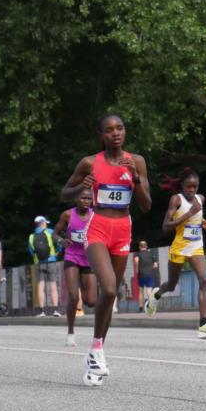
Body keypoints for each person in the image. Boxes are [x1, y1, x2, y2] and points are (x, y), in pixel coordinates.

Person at [61, 114, 151, 385]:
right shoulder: (90, 162)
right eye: (109, 130)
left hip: (123, 228)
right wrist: (81, 186)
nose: (115, 134)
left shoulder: (137, 162)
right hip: (98, 226)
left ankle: (95, 351)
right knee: (110, 287)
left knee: (111, 297)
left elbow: (146, 206)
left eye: (120, 128)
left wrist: (136, 180)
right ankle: (96, 351)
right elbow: (64, 193)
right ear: (102, 135)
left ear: (125, 131)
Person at [144, 168, 206, 339]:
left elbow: (196, 222)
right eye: (188, 187)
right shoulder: (176, 200)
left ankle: (203, 324)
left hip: (196, 247)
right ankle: (155, 295)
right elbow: (166, 226)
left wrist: (202, 224)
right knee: (171, 285)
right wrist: (189, 213)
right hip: (179, 248)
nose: (192, 190)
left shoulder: (201, 199)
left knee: (204, 280)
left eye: (195, 187)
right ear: (182, 186)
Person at [55, 190, 97, 346]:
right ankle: (71, 333)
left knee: (91, 301)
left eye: (89, 198)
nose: (86, 201)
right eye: (83, 198)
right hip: (72, 257)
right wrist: (60, 241)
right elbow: (55, 233)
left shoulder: (95, 215)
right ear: (76, 199)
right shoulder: (67, 215)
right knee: (74, 297)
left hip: (89, 258)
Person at [28, 216, 62, 318]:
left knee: (40, 286)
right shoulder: (50, 232)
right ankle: (55, 310)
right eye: (45, 223)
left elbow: (31, 252)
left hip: (39, 263)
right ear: (42, 223)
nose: (46, 224)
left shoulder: (31, 236)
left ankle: (41, 311)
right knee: (53, 285)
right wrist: (57, 253)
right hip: (51, 261)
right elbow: (59, 243)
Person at [134, 240, 158, 312]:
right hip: (150, 274)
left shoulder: (138, 254)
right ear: (146, 247)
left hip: (141, 274)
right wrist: (150, 268)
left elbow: (136, 261)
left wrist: (137, 269)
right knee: (149, 289)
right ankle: (150, 305)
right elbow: (155, 265)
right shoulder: (151, 254)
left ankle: (141, 307)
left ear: (140, 247)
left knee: (141, 291)